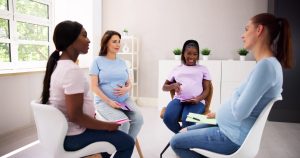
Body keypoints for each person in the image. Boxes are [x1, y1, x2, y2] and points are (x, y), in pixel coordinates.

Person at [170, 13, 293, 158]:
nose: (243, 35)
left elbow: (241, 112)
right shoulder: (268, 65)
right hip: (226, 126)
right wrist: (219, 114)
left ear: (259, 30)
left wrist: (235, 93)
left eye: (247, 29)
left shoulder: (266, 68)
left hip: (231, 136)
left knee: (176, 141)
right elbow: (243, 107)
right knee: (183, 131)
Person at [41, 21, 134, 158]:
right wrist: (106, 126)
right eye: (84, 36)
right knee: (127, 142)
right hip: (73, 136)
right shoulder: (72, 71)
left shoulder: (59, 65)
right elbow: (76, 116)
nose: (89, 40)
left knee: (108, 145)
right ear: (71, 40)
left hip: (65, 132)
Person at [89, 30, 143, 141]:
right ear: (106, 43)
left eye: (119, 41)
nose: (118, 44)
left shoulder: (122, 62)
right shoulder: (97, 61)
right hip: (104, 102)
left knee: (139, 119)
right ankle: (122, 148)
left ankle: (126, 147)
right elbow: (93, 87)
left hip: (124, 100)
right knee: (124, 123)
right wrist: (110, 102)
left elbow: (129, 82)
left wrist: (127, 88)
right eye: (114, 41)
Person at [162, 39, 212, 133]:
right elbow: (164, 87)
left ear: (197, 55)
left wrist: (198, 99)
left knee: (187, 120)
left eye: (195, 54)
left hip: (196, 102)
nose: (192, 56)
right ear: (183, 54)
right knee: (167, 118)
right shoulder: (177, 69)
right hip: (178, 100)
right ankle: (183, 137)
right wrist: (173, 85)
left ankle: (183, 139)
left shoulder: (203, 69)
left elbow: (207, 90)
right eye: (189, 53)